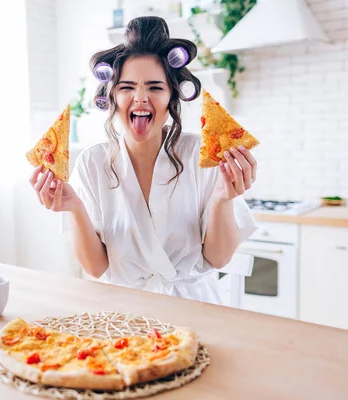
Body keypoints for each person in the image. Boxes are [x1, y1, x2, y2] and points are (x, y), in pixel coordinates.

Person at [29, 16, 258, 305]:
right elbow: (96, 268)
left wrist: (222, 199)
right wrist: (74, 208)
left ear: (172, 98)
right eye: (126, 87)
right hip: (124, 312)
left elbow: (219, 257)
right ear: (112, 97)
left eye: (155, 87)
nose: (140, 98)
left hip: (195, 307)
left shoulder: (202, 155)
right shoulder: (92, 163)